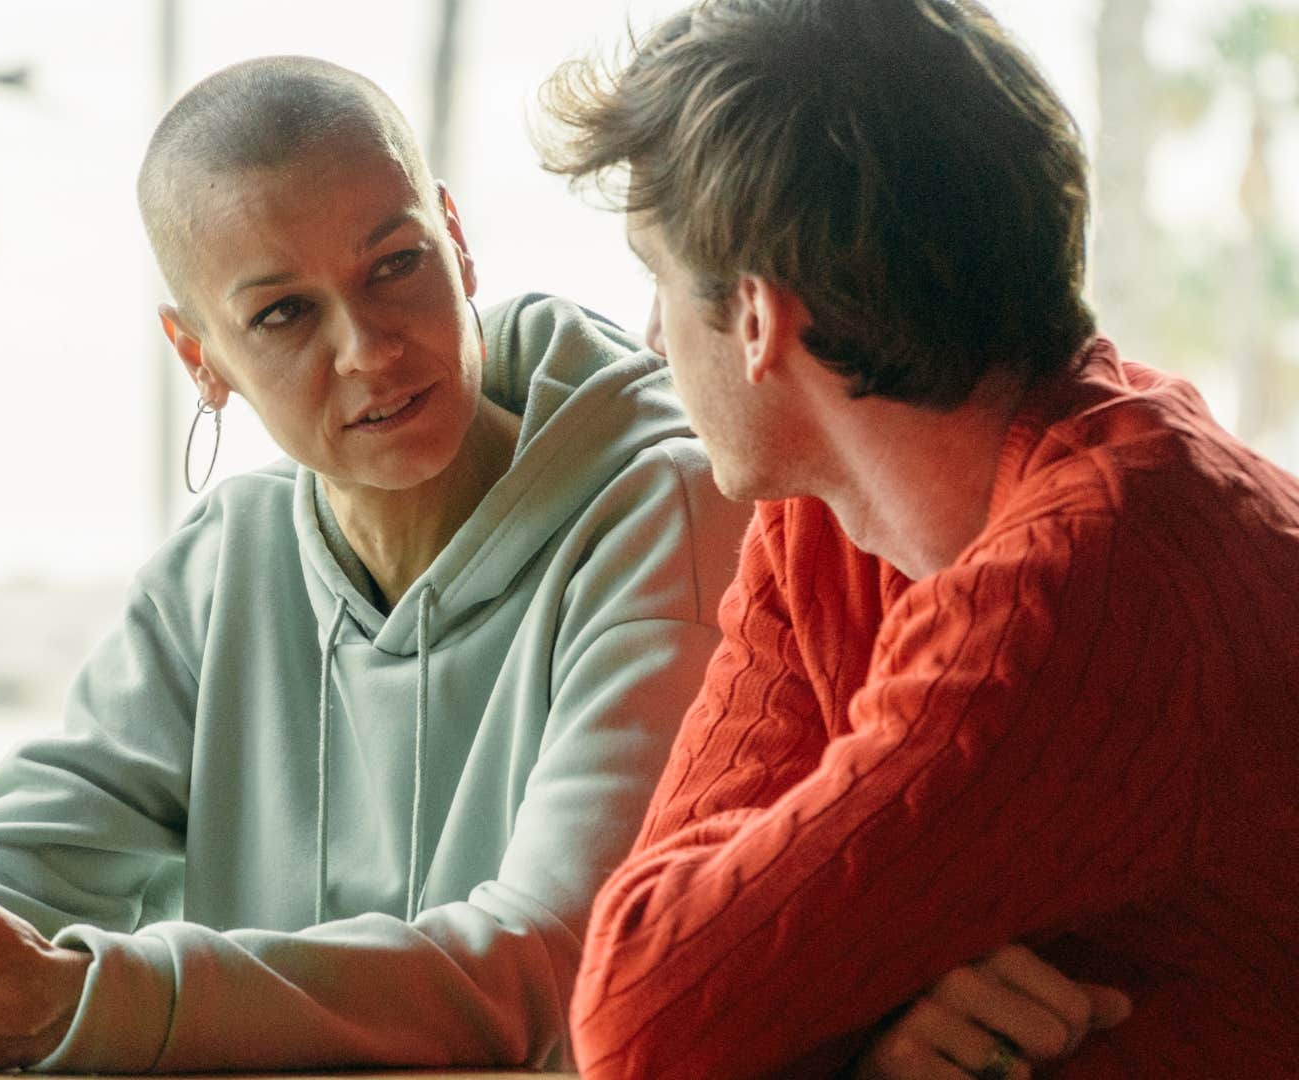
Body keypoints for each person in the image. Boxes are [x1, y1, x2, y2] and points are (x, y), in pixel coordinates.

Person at [0, 56, 754, 1072]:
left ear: (458, 239)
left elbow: (554, 967)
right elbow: (33, 857)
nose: (368, 349)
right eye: (283, 313)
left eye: (396, 263)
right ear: (200, 355)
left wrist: (72, 1000)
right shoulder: (224, 562)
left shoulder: (668, 511)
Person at [539, 1, 1299, 1077]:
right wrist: (873, 1041)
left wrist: (823, 1007)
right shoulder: (823, 514)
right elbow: (662, 957)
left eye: (656, 275)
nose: (652, 333)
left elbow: (641, 1017)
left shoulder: (1096, 574)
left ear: (759, 317)